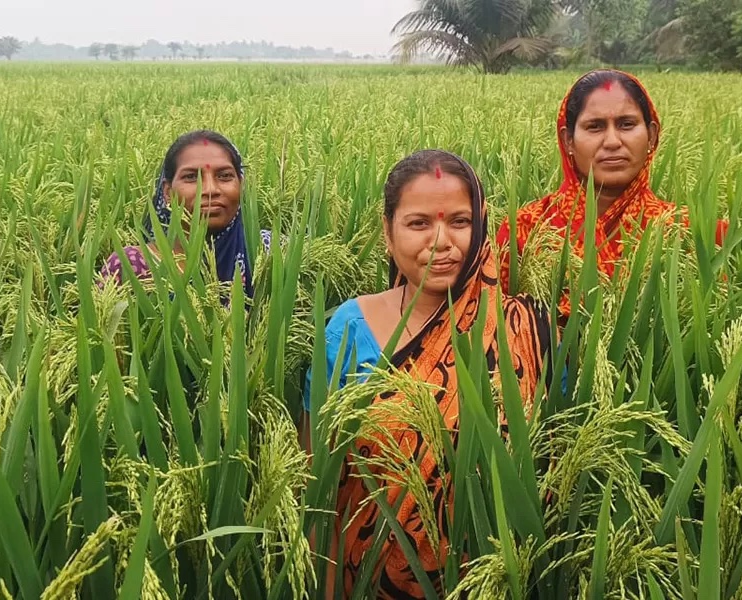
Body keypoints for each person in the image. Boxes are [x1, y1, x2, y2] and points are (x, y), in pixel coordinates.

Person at [304, 149, 551, 598]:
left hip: (492, 578)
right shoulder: (349, 327)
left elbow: (549, 462)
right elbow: (319, 477)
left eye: (460, 221)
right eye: (419, 224)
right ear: (388, 231)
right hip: (369, 579)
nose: (442, 241)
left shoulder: (526, 330)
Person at [496, 69, 728, 312]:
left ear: (652, 135)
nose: (612, 141)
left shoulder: (690, 232)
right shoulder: (525, 230)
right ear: (568, 141)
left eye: (626, 124)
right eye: (594, 127)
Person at [100, 129, 268, 299]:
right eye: (191, 177)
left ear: (241, 185)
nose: (210, 190)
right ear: (167, 192)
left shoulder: (269, 253)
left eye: (225, 176)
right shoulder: (132, 265)